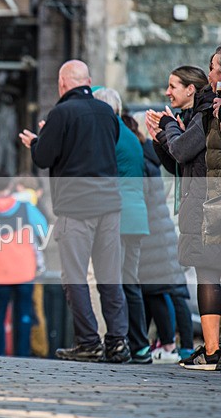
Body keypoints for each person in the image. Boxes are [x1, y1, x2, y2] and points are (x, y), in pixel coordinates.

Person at [19, 60, 130, 363]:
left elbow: (44, 157)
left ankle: (89, 342)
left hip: (76, 207)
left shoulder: (61, 113)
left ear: (62, 83)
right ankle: (118, 341)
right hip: (110, 205)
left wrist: (37, 141)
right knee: (110, 276)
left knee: (76, 277)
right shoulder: (107, 112)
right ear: (88, 81)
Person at [146, 60, 221, 370]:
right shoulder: (203, 112)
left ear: (191, 89)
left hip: (208, 203)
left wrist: (167, 129)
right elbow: (178, 163)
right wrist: (162, 136)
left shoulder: (205, 113)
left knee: (207, 273)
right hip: (203, 201)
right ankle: (212, 348)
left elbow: (182, 151)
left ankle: (213, 350)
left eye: (173, 86)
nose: (167, 92)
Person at [123, 113, 192, 363]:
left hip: (151, 230)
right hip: (156, 227)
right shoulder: (148, 156)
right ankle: (162, 343)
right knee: (158, 290)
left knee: (158, 291)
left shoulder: (140, 158)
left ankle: (168, 344)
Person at [93, 87, 152, 364]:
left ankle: (118, 342)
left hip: (117, 217)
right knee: (130, 283)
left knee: (113, 282)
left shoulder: (108, 135)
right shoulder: (130, 135)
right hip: (136, 217)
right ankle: (139, 345)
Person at [0, 174, 48, 357]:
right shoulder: (25, 207)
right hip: (24, 269)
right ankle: (21, 355)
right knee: (23, 314)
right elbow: (43, 229)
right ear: (11, 184)